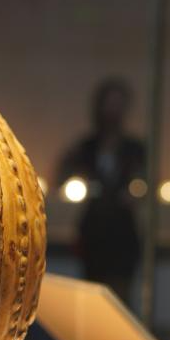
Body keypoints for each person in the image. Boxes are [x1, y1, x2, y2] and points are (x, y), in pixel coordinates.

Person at [57, 77, 145, 305]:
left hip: (123, 235)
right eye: (109, 103)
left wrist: (134, 193)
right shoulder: (86, 147)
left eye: (118, 104)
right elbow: (63, 177)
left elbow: (144, 184)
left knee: (120, 300)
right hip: (94, 235)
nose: (113, 110)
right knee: (91, 299)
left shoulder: (135, 150)